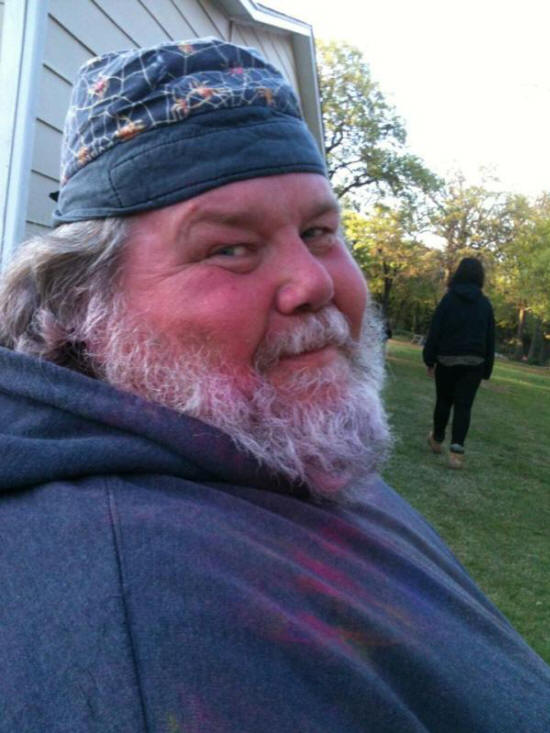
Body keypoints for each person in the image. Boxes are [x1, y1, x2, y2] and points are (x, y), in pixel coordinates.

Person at [0, 39, 548, 732]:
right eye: (229, 247)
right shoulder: (153, 639)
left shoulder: (269, 447)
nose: (315, 282)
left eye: (319, 232)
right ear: (81, 302)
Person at [423, 257, 495, 468]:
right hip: (474, 361)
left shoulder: (448, 300)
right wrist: (487, 369)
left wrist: (430, 359)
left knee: (443, 401)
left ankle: (437, 438)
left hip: (447, 358)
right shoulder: (485, 304)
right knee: (464, 406)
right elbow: (490, 338)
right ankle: (456, 451)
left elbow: (435, 330)